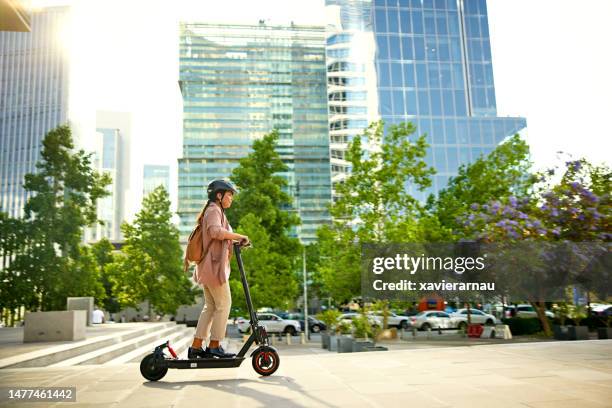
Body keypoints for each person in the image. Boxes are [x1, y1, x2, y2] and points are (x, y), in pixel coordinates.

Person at [188, 179, 249, 359]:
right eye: (229, 194)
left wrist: (235, 240)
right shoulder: (214, 210)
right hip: (213, 268)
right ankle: (214, 345)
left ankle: (196, 346)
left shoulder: (215, 211)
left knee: (211, 307)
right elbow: (215, 232)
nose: (231, 198)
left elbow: (219, 236)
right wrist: (239, 236)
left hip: (208, 267)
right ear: (219, 195)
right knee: (224, 305)